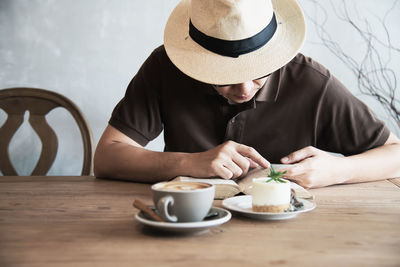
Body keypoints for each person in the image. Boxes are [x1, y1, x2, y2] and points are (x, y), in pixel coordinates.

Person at [94, 0, 400, 188]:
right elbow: (107, 157)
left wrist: (337, 170)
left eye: (259, 71)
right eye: (224, 77)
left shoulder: (311, 81)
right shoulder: (165, 67)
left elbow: (395, 155)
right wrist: (191, 163)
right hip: (186, 235)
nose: (244, 88)